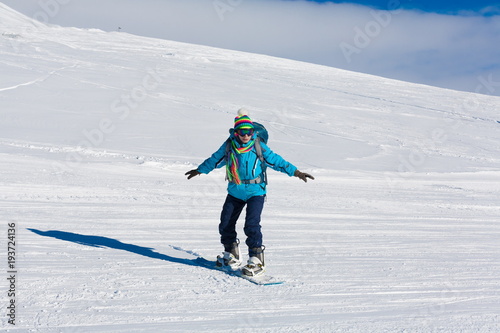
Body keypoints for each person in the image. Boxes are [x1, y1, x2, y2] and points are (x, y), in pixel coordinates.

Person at [185, 109, 314, 277]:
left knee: (251, 225)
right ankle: (231, 254)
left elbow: (277, 161)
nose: (246, 135)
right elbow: (215, 159)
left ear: (253, 132)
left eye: (249, 132)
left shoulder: (259, 146)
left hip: (256, 191)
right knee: (225, 223)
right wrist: (200, 170)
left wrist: (296, 172)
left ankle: (256, 260)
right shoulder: (229, 146)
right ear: (236, 132)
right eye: (242, 132)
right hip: (235, 191)